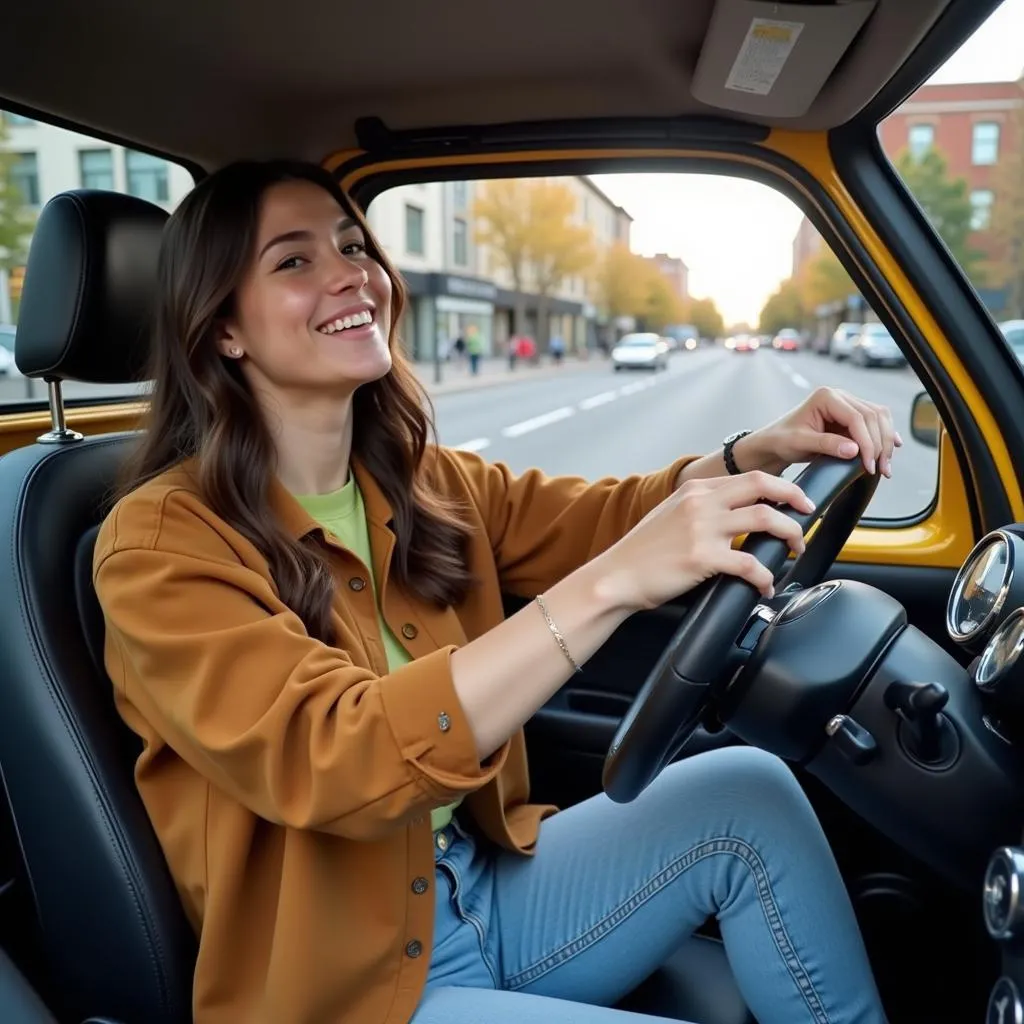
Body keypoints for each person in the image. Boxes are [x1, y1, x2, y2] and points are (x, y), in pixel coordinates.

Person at [93, 159, 899, 1024]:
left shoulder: (421, 479)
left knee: (750, 790)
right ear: (223, 329)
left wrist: (755, 457)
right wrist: (612, 585)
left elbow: (606, 520)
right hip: (347, 991)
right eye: (294, 262)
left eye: (353, 244)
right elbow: (337, 757)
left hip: (489, 887)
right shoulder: (160, 544)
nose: (351, 275)